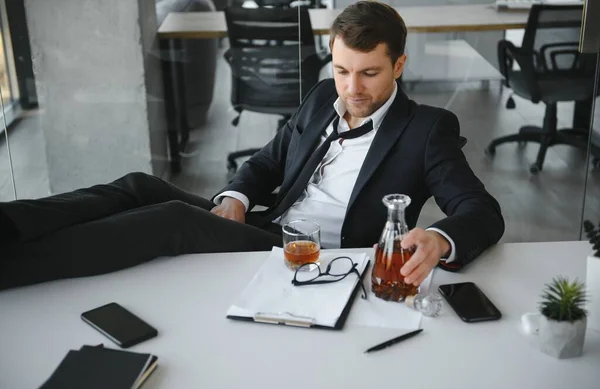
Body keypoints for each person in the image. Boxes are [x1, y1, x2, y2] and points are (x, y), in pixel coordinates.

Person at [0, 1, 504, 291]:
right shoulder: (322, 95)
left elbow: (480, 209)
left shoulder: (427, 128)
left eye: (369, 73)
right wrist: (236, 198)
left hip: (318, 257)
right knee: (139, 185)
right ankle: (9, 225)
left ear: (398, 66)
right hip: (271, 227)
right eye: (343, 69)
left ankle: (13, 267)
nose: (351, 88)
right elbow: (268, 158)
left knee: (172, 219)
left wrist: (440, 239)